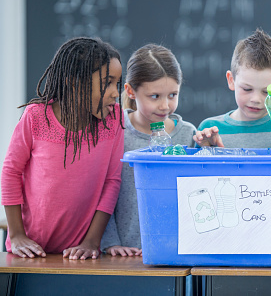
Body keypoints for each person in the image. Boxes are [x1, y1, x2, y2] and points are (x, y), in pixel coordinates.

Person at [1, 37, 124, 260]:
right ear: (74, 82)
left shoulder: (114, 119)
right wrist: (17, 234)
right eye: (107, 83)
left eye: (117, 83)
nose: (116, 93)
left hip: (80, 253)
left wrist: (91, 241)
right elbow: (11, 171)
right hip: (29, 250)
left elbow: (112, 181)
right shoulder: (36, 117)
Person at [101, 44, 196, 257]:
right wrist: (110, 243)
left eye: (173, 95)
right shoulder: (114, 129)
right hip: (120, 253)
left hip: (173, 252)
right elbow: (99, 190)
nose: (165, 106)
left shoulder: (188, 134)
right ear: (130, 91)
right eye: (155, 96)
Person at [193, 28, 271, 148]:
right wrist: (208, 150)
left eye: (266, 92)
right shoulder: (211, 130)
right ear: (231, 80)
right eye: (247, 89)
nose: (256, 99)